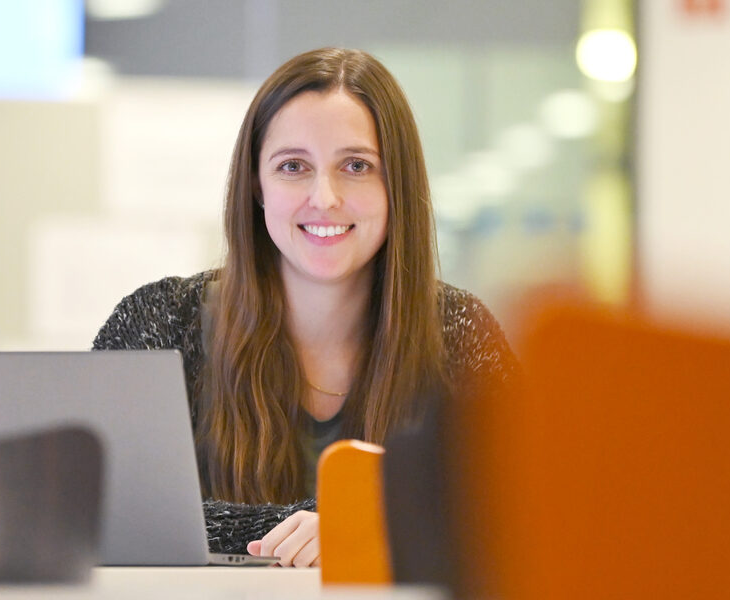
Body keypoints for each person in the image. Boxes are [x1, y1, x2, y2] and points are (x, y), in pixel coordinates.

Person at [92, 48, 517, 568]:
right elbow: (98, 509)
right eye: (293, 166)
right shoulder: (160, 323)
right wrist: (353, 517)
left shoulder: (459, 332)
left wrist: (376, 521)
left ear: (396, 186)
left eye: (356, 166)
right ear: (257, 186)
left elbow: (530, 513)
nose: (325, 196)